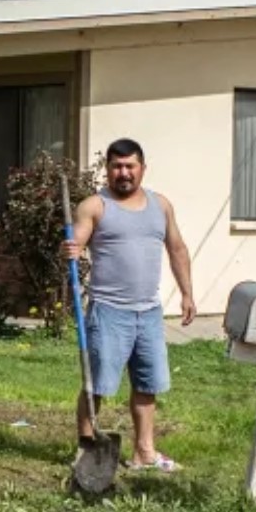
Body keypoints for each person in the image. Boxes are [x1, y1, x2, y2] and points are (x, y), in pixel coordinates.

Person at [59, 138, 195, 471]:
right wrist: (70, 250)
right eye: (117, 166)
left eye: (130, 166)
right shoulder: (95, 206)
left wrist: (187, 293)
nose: (123, 173)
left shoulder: (160, 205)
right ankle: (87, 450)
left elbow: (177, 249)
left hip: (148, 313)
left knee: (148, 385)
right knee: (98, 386)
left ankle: (144, 453)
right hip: (109, 312)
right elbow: (75, 241)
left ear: (142, 169)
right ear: (107, 169)